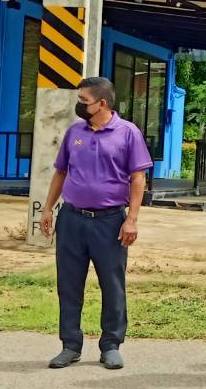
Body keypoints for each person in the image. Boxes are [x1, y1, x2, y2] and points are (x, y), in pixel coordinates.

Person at [39, 76, 152, 372]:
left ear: (102, 103)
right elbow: (61, 172)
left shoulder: (128, 133)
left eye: (83, 100)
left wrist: (132, 220)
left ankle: (111, 345)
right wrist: (48, 208)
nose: (79, 105)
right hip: (72, 219)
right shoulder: (75, 132)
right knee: (68, 284)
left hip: (110, 222)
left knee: (112, 285)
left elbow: (138, 178)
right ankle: (70, 345)